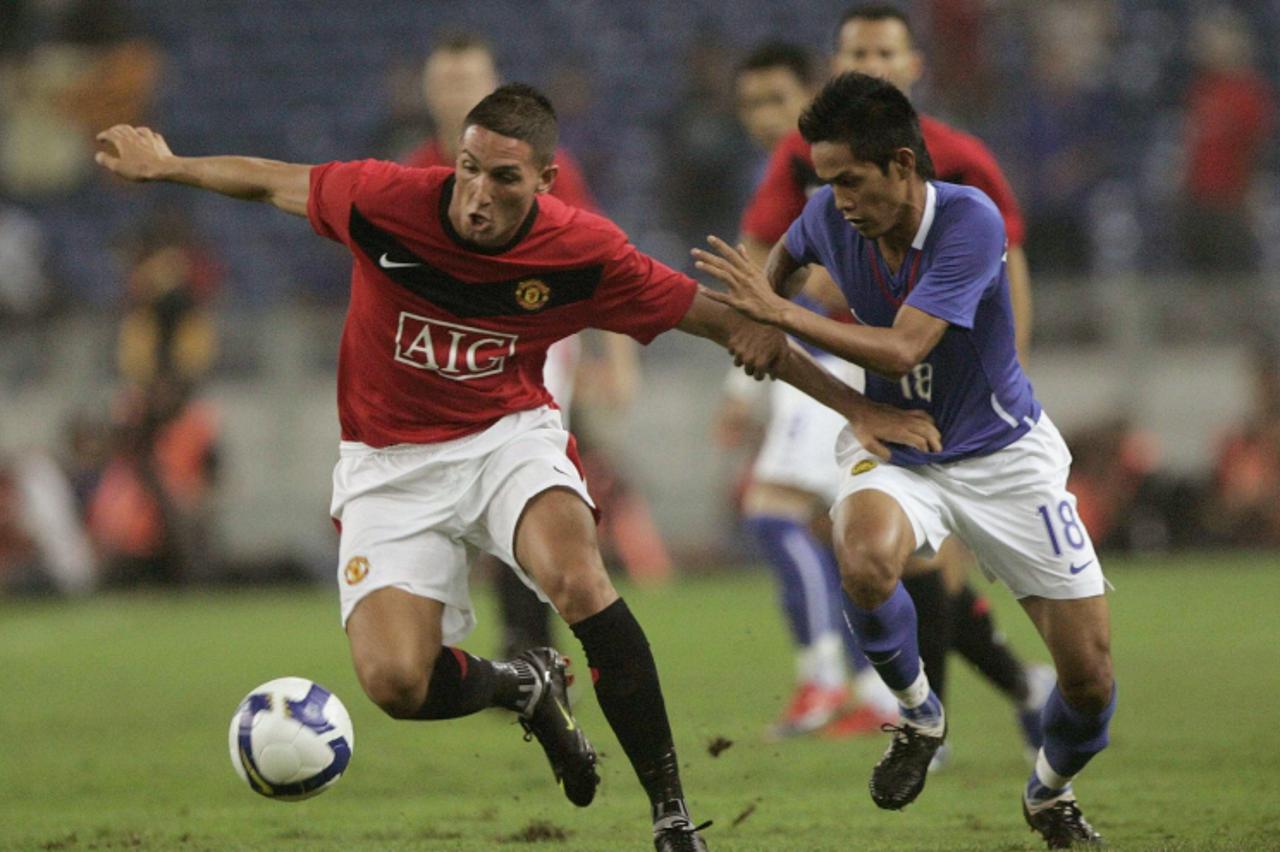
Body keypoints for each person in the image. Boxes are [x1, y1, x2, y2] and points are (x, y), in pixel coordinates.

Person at [94, 83, 938, 852]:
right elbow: (271, 180)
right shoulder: (387, 200)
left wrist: (857, 405)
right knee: (395, 682)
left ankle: (672, 818)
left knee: (578, 580)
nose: (476, 193)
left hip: (507, 438)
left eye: (502, 177)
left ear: (545, 183)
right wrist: (169, 167)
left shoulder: (583, 251)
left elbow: (726, 326)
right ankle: (521, 687)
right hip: (387, 466)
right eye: (467, 168)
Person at [696, 72, 1116, 848]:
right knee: (862, 557)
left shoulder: (970, 221)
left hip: (1004, 455)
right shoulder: (828, 214)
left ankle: (1049, 793)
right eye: (826, 182)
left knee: (1089, 677)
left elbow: (903, 345)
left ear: (901, 164)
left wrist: (775, 312)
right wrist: (775, 319)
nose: (839, 199)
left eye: (851, 180)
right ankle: (919, 715)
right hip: (898, 443)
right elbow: (788, 250)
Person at [737, 5, 1054, 755]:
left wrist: (1013, 374)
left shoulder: (960, 160)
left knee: (911, 559)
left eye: (885, 50)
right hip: (843, 365)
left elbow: (1008, 268)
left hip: (939, 380)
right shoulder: (807, 157)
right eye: (856, 50)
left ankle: (926, 702)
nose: (871, 62)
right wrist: (783, 307)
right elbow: (765, 249)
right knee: (865, 545)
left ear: (915, 66)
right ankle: (947, 698)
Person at [405, 32, 644, 659]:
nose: (457, 95)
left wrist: (617, 359)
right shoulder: (413, 171)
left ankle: (534, 648)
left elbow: (602, 263)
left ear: (492, 90)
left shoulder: (539, 167)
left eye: (468, 83)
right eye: (446, 83)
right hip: (445, 359)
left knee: (518, 478)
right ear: (428, 93)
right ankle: (521, 645)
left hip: (533, 348)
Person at [718, 41, 899, 739]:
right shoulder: (785, 170)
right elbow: (755, 271)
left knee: (773, 511)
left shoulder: (833, 165)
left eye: (776, 100)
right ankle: (877, 694)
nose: (764, 117)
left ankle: (828, 681)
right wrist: (739, 386)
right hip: (821, 351)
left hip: (846, 354)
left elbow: (813, 283)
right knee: (844, 534)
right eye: (750, 105)